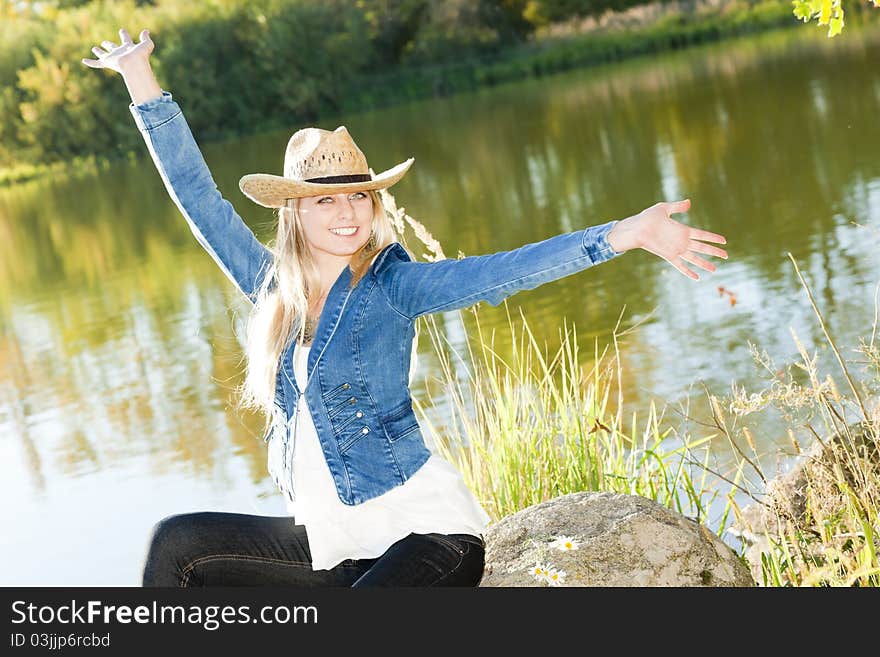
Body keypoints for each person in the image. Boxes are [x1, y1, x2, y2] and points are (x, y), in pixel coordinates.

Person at [82, 28, 728, 588]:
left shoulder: (394, 286)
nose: (346, 213)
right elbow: (200, 202)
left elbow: (505, 271)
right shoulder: (270, 288)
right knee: (179, 545)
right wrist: (140, 76)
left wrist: (625, 232)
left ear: (374, 204)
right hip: (333, 546)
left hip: (425, 539)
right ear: (294, 210)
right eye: (325, 200)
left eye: (357, 198)